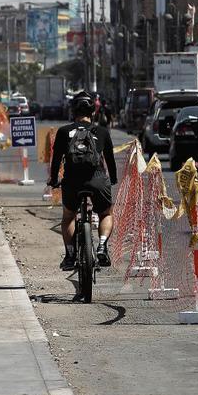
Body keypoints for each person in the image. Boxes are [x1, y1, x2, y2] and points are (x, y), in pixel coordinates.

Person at [47, 91, 118, 271]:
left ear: (73, 111)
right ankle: (102, 245)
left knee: (69, 216)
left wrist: (54, 180)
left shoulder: (64, 132)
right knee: (105, 214)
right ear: (92, 112)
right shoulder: (101, 131)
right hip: (97, 180)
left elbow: (56, 160)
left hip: (72, 181)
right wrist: (113, 179)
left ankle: (70, 255)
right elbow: (109, 159)